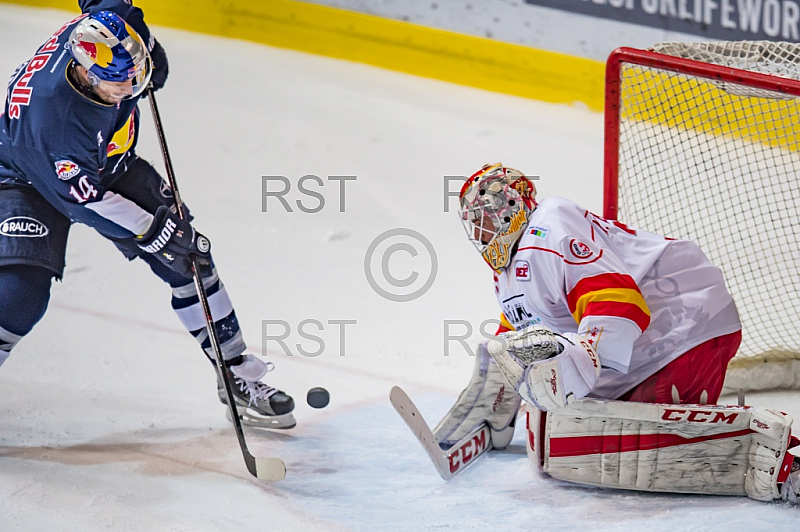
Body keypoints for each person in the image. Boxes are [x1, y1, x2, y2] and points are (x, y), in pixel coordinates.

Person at [0, 1, 295, 429]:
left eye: (134, 74)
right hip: (25, 175)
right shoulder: (53, 120)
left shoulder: (106, 38)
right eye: (120, 83)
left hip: (107, 161)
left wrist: (145, 44)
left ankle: (235, 374)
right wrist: (152, 230)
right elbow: (85, 201)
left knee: (190, 258)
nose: (132, 87)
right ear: (84, 71)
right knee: (20, 294)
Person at [433, 162, 799, 502]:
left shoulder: (550, 224)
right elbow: (522, 333)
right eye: (476, 221)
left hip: (685, 321)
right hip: (646, 342)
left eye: (490, 215)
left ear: (516, 204)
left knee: (635, 439)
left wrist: (580, 358)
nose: (483, 229)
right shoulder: (507, 270)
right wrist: (499, 391)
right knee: (574, 430)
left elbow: (620, 304)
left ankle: (776, 464)